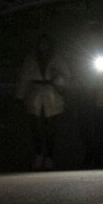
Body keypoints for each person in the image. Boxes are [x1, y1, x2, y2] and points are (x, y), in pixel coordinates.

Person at [16, 34, 70, 169]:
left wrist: (57, 78)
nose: (43, 47)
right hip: (35, 95)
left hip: (52, 95)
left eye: (46, 44)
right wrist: (19, 96)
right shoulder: (32, 59)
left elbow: (67, 75)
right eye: (41, 44)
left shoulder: (57, 58)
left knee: (51, 128)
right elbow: (24, 78)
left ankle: (49, 156)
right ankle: (39, 154)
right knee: (35, 128)